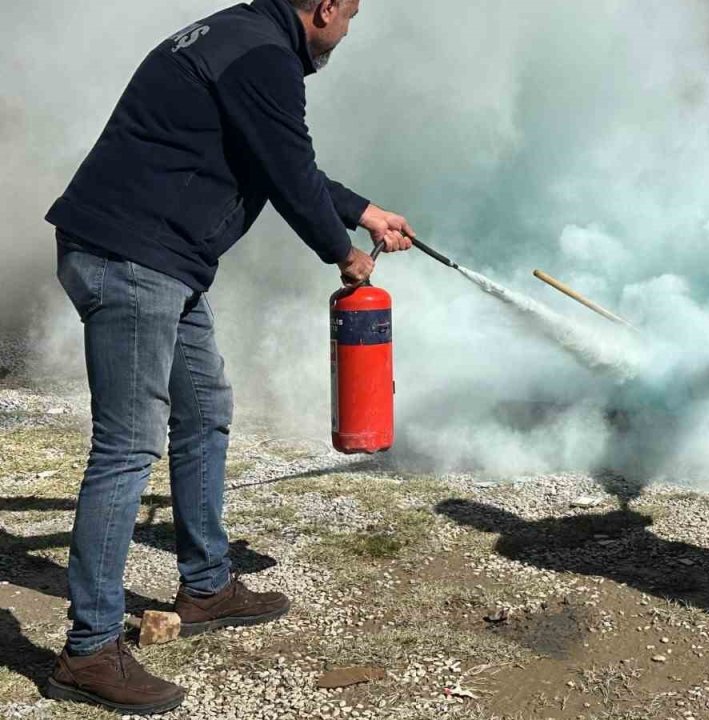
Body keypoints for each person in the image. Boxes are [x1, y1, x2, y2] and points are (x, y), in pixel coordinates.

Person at [42, 0, 413, 714]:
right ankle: (88, 651)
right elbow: (287, 168)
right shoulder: (263, 55)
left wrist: (362, 211)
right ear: (326, 7)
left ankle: (207, 586)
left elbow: (275, 159)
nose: (347, 32)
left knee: (206, 406)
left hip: (159, 260)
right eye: (351, 16)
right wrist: (344, 254)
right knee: (126, 447)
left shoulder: (240, 35)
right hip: (130, 258)